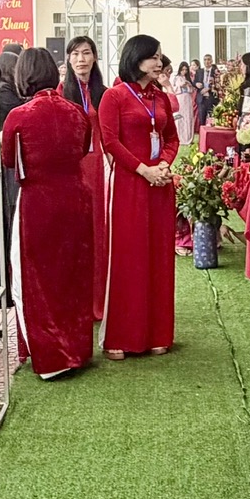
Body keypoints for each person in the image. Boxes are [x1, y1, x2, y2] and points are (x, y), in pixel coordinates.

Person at [4, 47, 94, 378]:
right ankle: (78, 350)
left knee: (37, 278)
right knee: (74, 275)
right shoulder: (76, 112)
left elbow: (9, 159)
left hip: (38, 203)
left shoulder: (18, 116)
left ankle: (52, 356)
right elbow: (84, 148)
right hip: (77, 198)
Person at [96, 34, 179, 358]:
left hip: (160, 184)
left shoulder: (160, 97)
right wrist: (143, 169)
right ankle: (121, 337)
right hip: (130, 185)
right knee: (128, 258)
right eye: (153, 57)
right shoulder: (114, 96)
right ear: (136, 58)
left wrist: (163, 165)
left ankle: (158, 332)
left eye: (160, 56)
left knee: (159, 256)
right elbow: (110, 141)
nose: (159, 62)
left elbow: (171, 138)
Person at [60, 35, 111, 322]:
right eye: (76, 53)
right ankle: (75, 300)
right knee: (75, 233)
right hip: (72, 169)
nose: (81, 59)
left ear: (94, 57)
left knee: (99, 233)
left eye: (86, 53)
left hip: (99, 168)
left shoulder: (103, 92)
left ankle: (99, 300)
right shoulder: (59, 92)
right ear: (68, 59)